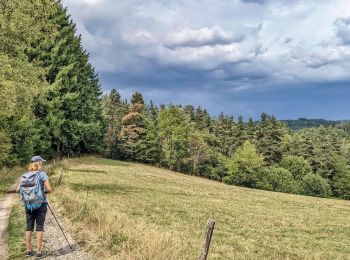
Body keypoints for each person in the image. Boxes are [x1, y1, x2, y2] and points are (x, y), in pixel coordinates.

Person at [16, 156, 52, 258]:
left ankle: (28, 250)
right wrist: (42, 193)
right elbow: (49, 189)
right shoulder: (42, 174)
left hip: (28, 205)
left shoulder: (25, 175)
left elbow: (18, 190)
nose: (43, 164)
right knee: (39, 227)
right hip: (41, 204)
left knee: (29, 227)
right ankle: (38, 252)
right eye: (42, 162)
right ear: (39, 163)